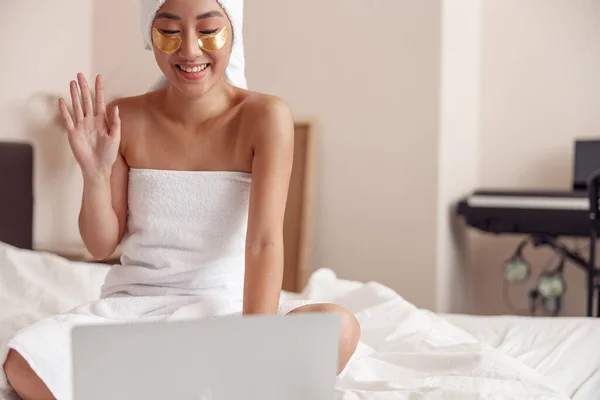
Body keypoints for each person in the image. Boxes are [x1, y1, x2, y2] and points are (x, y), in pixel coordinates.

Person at [2, 0, 360, 399]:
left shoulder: (264, 115)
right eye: (169, 32)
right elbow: (101, 244)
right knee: (23, 360)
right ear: (149, 36)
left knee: (338, 327)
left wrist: (254, 341)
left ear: (233, 30)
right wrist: (95, 174)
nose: (189, 50)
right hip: (137, 309)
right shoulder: (124, 116)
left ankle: (170, 382)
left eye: (208, 30)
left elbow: (263, 242)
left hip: (229, 310)